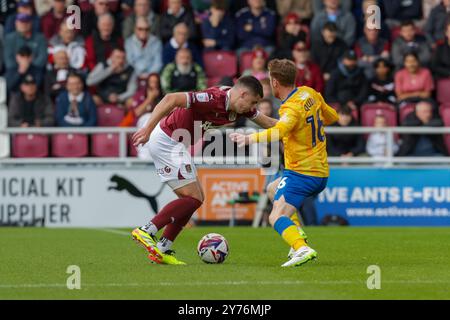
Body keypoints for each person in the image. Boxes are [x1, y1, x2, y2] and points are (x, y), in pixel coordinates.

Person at [130, 76, 277, 265]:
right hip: (166, 140)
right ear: (243, 94)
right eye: (253, 102)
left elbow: (269, 123)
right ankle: (147, 230)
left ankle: (162, 248)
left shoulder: (241, 107)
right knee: (192, 198)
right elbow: (171, 99)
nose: (253, 107)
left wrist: (295, 124)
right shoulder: (212, 98)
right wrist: (147, 129)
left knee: (196, 199)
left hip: (176, 144)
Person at [229, 59, 339, 267]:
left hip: (302, 173)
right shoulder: (309, 93)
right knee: (272, 189)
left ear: (275, 82)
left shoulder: (290, 108)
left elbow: (280, 130)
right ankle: (297, 238)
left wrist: (248, 138)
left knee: (275, 217)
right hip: (319, 170)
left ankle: (301, 248)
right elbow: (331, 116)